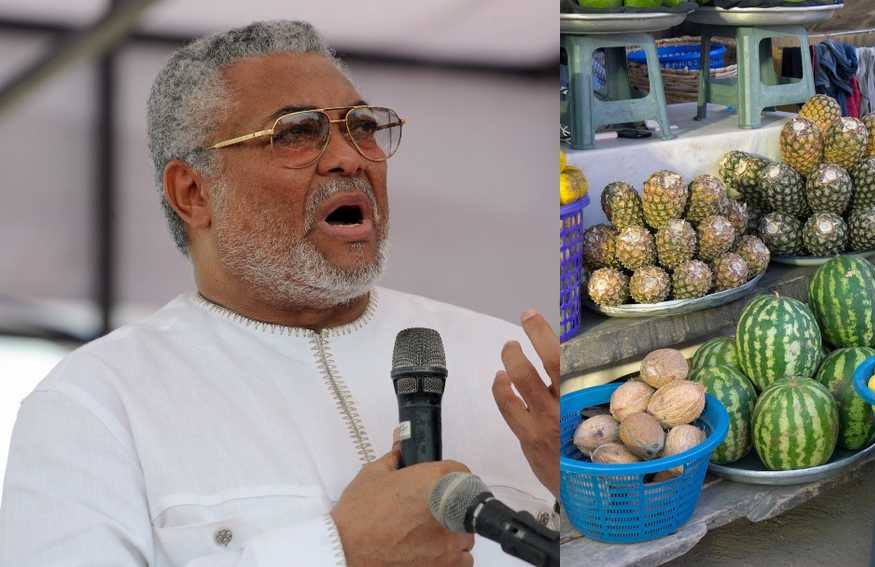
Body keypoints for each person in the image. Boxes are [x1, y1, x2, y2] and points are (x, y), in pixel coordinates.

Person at [0, 20, 559, 567]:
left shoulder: (511, 368)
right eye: (296, 132)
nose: (351, 157)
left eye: (360, 127)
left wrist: (592, 497)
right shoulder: (97, 406)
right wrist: (338, 554)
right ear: (193, 193)